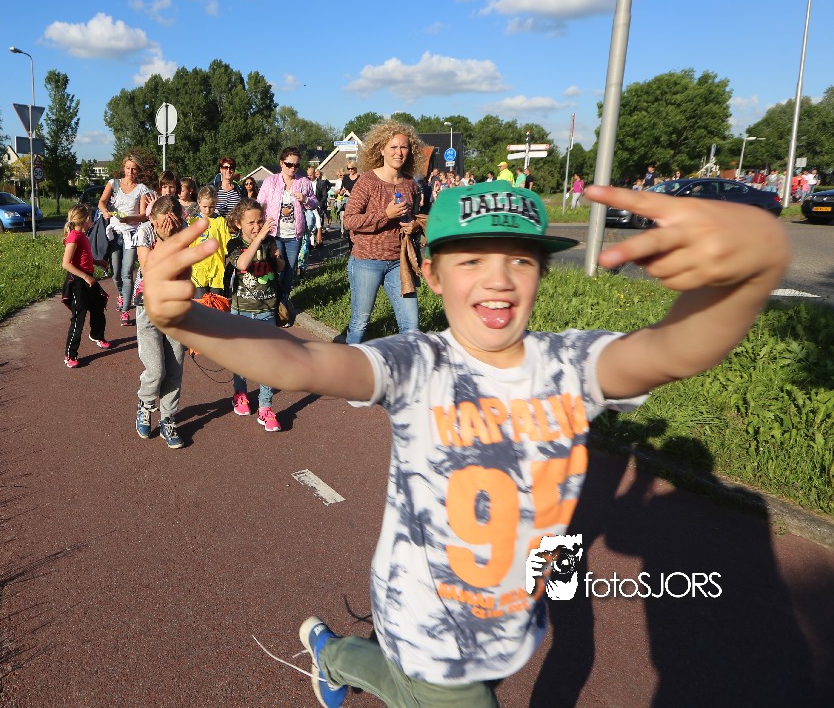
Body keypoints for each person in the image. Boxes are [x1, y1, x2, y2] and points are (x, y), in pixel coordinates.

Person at [139, 179, 788, 708]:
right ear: (433, 274)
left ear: (540, 272)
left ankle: (332, 654)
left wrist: (746, 278)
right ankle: (336, 655)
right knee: (443, 694)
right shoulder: (419, 363)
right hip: (425, 622)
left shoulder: (571, 364)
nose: (498, 278)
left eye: (519, 259)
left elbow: (671, 351)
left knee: (412, 690)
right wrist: (188, 320)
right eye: (471, 259)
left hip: (512, 624)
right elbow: (303, 361)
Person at [342, 119, 422, 345]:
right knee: (360, 323)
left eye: (404, 147)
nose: (399, 152)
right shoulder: (367, 181)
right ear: (381, 150)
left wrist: (414, 225)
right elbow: (349, 220)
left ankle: (410, 365)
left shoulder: (411, 184)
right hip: (367, 261)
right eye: (393, 147)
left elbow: (414, 217)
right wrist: (386, 214)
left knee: (411, 325)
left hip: (399, 263)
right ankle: (349, 363)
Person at [223, 197, 285, 431]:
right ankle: (240, 393)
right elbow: (241, 264)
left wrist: (277, 256)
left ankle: (265, 407)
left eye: (260, 221)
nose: (257, 226)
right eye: (251, 223)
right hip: (242, 311)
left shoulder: (269, 242)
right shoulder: (234, 244)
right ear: (238, 223)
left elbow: (281, 268)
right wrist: (258, 239)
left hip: (267, 310)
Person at [132, 195, 187, 449]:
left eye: (172, 223)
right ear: (152, 219)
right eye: (162, 223)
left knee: (174, 369)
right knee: (155, 370)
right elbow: (149, 271)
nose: (167, 227)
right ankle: (145, 403)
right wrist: (164, 240)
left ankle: (168, 418)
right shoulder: (145, 231)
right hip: (149, 306)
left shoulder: (182, 232)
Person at [257, 147, 317, 312]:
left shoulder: (304, 182)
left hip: (294, 235)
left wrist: (305, 199)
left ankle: (282, 304)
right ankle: (272, 302)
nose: (293, 168)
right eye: (289, 164)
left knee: (289, 271)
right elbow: (260, 204)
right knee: (277, 269)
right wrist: (258, 227)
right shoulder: (270, 181)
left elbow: (314, 203)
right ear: (281, 163)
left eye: (296, 165)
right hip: (274, 233)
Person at [98, 156, 153, 325]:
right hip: (115, 234)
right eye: (128, 168)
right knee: (116, 274)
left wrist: (129, 219)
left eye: (134, 169)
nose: (131, 172)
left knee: (127, 273)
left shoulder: (142, 189)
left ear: (138, 171)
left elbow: (143, 215)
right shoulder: (113, 184)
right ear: (123, 168)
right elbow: (101, 202)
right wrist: (105, 211)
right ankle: (122, 295)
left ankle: (125, 311)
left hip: (131, 234)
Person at [60, 204, 110, 369]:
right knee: (79, 317)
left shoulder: (82, 235)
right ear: (86, 219)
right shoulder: (74, 237)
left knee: (99, 305)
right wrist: (86, 276)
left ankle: (96, 335)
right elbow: (66, 263)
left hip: (87, 278)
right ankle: (70, 354)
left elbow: (83, 257)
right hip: (77, 281)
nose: (92, 220)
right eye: (91, 217)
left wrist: (97, 262)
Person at [190, 185, 231, 297]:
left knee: (216, 303)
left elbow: (227, 245)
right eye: (205, 206)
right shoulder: (193, 221)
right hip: (198, 269)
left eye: (211, 207)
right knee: (200, 302)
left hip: (216, 268)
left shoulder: (220, 221)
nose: (208, 210)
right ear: (198, 202)